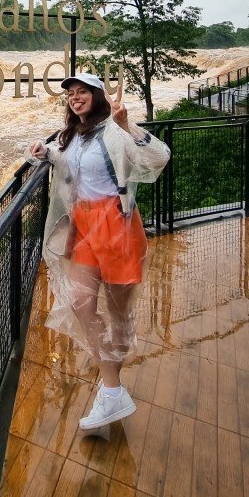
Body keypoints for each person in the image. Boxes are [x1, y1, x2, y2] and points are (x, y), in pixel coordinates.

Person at [29, 73, 170, 430]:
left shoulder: (114, 130)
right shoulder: (73, 135)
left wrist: (128, 124)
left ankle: (111, 390)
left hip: (116, 226)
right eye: (71, 94)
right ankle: (113, 390)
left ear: (96, 96)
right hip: (83, 226)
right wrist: (44, 153)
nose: (75, 98)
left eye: (82, 92)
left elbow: (160, 157)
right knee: (81, 303)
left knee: (119, 314)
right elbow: (66, 162)